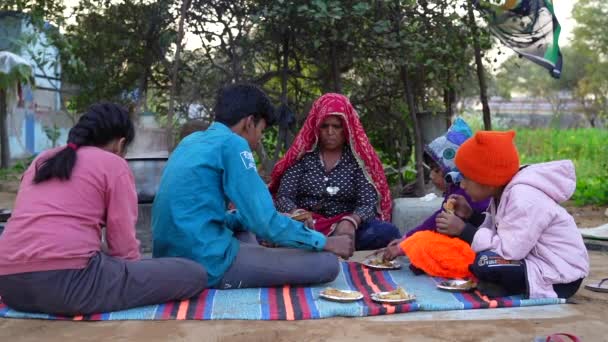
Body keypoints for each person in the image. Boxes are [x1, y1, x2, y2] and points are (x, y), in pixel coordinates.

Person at [0, 103, 206, 315]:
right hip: (68, 285)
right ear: (120, 144)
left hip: (9, 286)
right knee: (193, 274)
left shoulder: (41, 160)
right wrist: (132, 274)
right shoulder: (113, 164)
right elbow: (123, 248)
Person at [152, 84, 352, 290]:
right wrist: (324, 242)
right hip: (206, 262)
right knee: (327, 264)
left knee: (245, 231)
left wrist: (243, 218)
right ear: (249, 123)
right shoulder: (234, 144)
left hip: (170, 256)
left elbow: (198, 213)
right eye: (262, 131)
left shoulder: (191, 141)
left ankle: (256, 261)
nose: (259, 140)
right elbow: (265, 223)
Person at [450, 130, 588, 298]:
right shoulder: (502, 193)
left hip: (560, 277)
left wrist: (465, 231)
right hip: (535, 263)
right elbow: (505, 232)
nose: (462, 185)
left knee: (485, 262)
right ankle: (506, 286)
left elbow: (510, 251)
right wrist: (471, 216)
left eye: (466, 178)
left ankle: (511, 287)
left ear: (488, 180)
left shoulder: (524, 198)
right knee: (481, 259)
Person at [269, 93, 401, 251]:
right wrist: (298, 214)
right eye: (324, 126)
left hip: (344, 227)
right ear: (317, 126)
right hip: (306, 224)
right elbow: (284, 196)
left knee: (386, 232)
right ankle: (322, 243)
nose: (330, 132)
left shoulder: (357, 160)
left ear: (346, 128)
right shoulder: (303, 156)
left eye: (336, 126)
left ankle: (316, 244)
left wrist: (351, 221)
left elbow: (367, 203)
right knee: (263, 229)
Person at [381, 118, 490, 263]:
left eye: (437, 170)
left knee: (425, 249)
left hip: (478, 248)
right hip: (470, 242)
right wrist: (406, 239)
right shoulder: (456, 189)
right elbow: (438, 220)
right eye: (431, 169)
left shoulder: (468, 191)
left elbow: (437, 223)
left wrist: (407, 243)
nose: (432, 176)